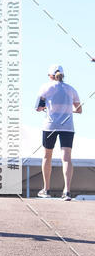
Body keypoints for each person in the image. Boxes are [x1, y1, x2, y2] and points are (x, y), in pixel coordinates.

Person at [35, 65, 82, 200]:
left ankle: (46, 189)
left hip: (50, 125)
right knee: (66, 158)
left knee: (47, 156)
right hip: (67, 126)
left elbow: (38, 107)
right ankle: (67, 191)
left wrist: (47, 108)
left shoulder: (45, 88)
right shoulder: (71, 89)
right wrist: (68, 111)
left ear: (50, 76)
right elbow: (79, 110)